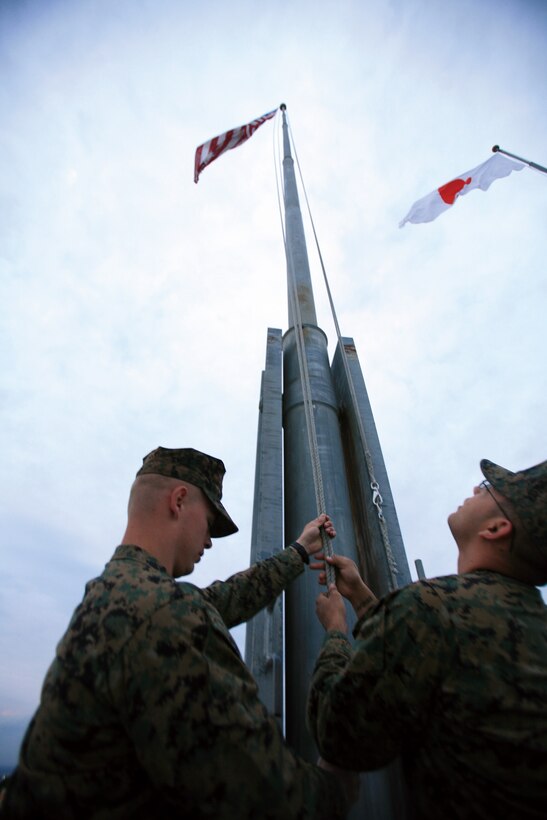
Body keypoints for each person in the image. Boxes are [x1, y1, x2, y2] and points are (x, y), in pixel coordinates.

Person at [2, 446, 357, 819]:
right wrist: (336, 785)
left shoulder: (117, 591)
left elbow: (223, 600)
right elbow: (268, 798)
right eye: (209, 523)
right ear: (179, 501)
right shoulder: (162, 615)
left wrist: (300, 551)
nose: (208, 541)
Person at [307, 457, 547, 819]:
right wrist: (360, 597)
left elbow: (339, 735)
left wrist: (336, 632)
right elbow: (426, 653)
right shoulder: (528, 623)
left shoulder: (434, 608)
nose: (474, 490)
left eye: (487, 489)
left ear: (497, 527)